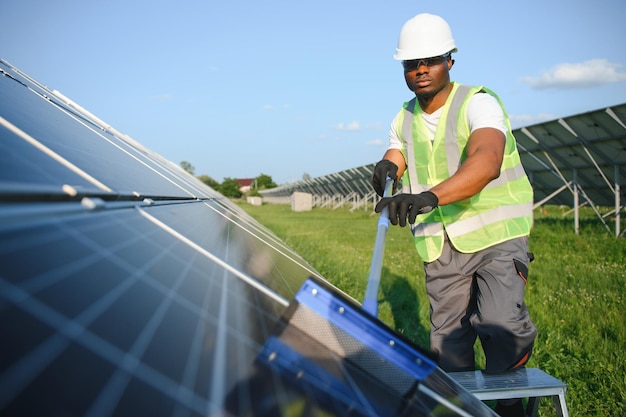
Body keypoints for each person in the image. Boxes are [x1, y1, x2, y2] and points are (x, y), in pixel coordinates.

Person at [371, 13, 537, 417]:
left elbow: (487, 161)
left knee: (500, 323)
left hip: (495, 235)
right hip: (440, 243)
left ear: (450, 61)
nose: (421, 70)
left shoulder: (479, 103)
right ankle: (463, 409)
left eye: (430, 60)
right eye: (412, 63)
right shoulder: (402, 117)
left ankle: (510, 405)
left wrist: (428, 197)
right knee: (448, 344)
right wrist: (388, 167)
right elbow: (399, 154)